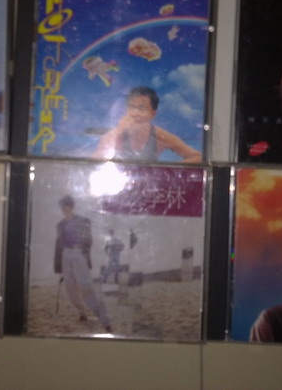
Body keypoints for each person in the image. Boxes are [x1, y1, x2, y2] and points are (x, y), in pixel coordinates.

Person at [91, 86, 202, 162]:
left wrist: (170, 171)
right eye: (132, 107)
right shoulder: (117, 134)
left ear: (153, 114)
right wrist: (119, 131)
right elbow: (95, 160)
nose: (135, 113)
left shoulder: (159, 135)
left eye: (142, 108)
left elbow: (198, 157)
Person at [54, 195, 112, 332]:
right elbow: (59, 244)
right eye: (62, 206)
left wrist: (83, 254)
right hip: (65, 255)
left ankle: (103, 318)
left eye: (66, 205)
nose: (64, 208)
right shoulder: (60, 225)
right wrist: (59, 266)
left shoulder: (83, 221)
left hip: (78, 253)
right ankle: (82, 313)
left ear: (71, 206)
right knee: (70, 288)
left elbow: (88, 239)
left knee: (85, 286)